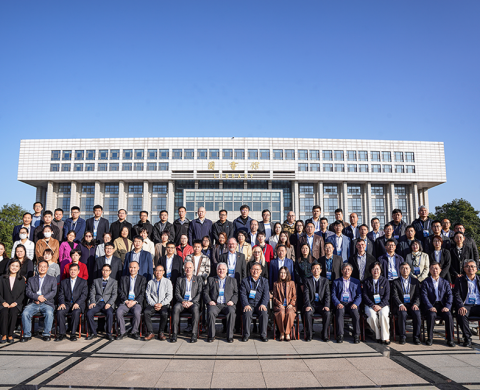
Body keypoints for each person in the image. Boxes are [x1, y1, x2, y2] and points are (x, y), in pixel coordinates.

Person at [20, 260, 57, 342]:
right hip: (34, 302)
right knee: (25, 313)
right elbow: (28, 292)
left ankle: (47, 334)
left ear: (47, 268)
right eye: (40, 266)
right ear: (37, 268)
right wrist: (37, 297)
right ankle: (26, 335)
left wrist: (43, 298)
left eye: (44, 266)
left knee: (49, 313)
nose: (42, 268)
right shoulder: (31, 279)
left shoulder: (52, 279)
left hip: (47, 303)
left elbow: (53, 292)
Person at [421, 262, 455, 347]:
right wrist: (430, 307)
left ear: (440, 270)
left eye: (436, 268)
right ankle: (430, 338)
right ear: (429, 270)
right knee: (431, 315)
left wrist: (447, 307)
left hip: (442, 305)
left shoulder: (445, 282)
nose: (434, 270)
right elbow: (424, 296)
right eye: (432, 268)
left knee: (448, 315)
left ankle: (450, 339)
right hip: (431, 305)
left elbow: (450, 295)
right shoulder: (425, 282)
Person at [204, 262, 238, 342]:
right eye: (219, 269)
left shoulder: (233, 280)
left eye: (223, 269)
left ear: (226, 270)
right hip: (215, 304)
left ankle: (230, 336)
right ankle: (211, 336)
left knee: (232, 312)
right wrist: (209, 301)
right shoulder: (211, 279)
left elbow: (236, 293)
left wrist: (232, 301)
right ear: (216, 270)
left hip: (227, 304)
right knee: (210, 312)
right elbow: (205, 292)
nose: (221, 271)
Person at [55, 263, 88, 341]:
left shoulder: (83, 282)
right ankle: (62, 333)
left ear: (78, 271)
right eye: (71, 270)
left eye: (75, 270)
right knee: (60, 312)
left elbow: (84, 295)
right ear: (69, 271)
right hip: (67, 303)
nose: (73, 272)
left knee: (76, 312)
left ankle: (73, 334)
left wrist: (78, 303)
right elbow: (61, 295)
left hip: (78, 304)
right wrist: (62, 303)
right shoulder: (64, 282)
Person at [171, 260, 202, 343]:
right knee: (176, 308)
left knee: (196, 310)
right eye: (186, 268)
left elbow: (199, 293)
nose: (188, 269)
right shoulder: (179, 279)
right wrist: (183, 301)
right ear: (184, 269)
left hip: (193, 303)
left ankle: (194, 334)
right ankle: (174, 334)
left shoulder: (198, 279)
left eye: (190, 268)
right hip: (182, 302)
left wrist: (192, 302)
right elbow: (177, 293)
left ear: (193, 269)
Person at [391, 262, 421, 345]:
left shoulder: (415, 281)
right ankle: (402, 336)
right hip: (400, 305)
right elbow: (394, 296)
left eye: (407, 268)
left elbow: (418, 295)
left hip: (412, 305)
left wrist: (416, 304)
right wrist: (400, 304)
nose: (405, 270)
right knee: (402, 314)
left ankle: (416, 337)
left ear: (410, 270)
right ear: (399, 270)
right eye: (403, 268)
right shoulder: (395, 282)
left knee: (417, 313)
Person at [85, 264, 117, 341]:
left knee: (109, 313)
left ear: (110, 271)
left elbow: (114, 294)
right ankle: (93, 332)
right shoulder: (96, 281)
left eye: (107, 270)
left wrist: (109, 303)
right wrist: (92, 302)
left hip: (107, 303)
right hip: (97, 303)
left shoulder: (114, 282)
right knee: (89, 313)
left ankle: (109, 333)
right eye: (103, 270)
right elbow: (92, 293)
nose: (105, 272)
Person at [332, 263, 362, 343]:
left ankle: (356, 335)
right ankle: (340, 335)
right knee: (339, 311)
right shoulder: (336, 282)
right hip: (341, 303)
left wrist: (355, 304)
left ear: (351, 271)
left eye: (348, 269)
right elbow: (333, 295)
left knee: (355, 313)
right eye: (345, 269)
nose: (347, 271)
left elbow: (359, 295)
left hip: (352, 303)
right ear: (342, 271)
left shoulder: (356, 282)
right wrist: (338, 303)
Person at [116, 261, 146, 340]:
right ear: (128, 268)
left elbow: (142, 293)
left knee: (137, 312)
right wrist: (126, 301)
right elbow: (120, 291)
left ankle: (134, 331)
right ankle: (123, 332)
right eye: (131, 267)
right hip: (125, 302)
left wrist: (134, 302)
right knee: (119, 312)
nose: (132, 269)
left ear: (138, 268)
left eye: (134, 267)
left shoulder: (142, 279)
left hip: (136, 302)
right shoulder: (123, 278)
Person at [239, 263, 270, 342]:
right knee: (247, 312)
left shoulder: (265, 281)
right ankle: (246, 335)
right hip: (249, 304)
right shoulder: (245, 281)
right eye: (253, 269)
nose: (255, 271)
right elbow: (242, 294)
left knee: (264, 313)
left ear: (260, 271)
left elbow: (266, 294)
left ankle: (263, 335)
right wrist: (246, 304)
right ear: (250, 270)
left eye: (257, 269)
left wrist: (263, 304)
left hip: (260, 304)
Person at [362, 262, 390, 344]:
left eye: (377, 269)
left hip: (383, 305)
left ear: (381, 270)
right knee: (372, 317)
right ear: (371, 271)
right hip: (370, 305)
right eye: (373, 269)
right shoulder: (367, 281)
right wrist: (372, 305)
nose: (375, 271)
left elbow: (387, 296)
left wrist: (380, 305)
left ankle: (385, 337)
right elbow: (365, 295)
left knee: (383, 315)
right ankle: (378, 335)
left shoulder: (385, 281)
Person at [454, 260, 480, 347]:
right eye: (467, 266)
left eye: (472, 266)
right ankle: (467, 338)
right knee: (461, 314)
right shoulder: (459, 280)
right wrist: (461, 306)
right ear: (464, 269)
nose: (470, 268)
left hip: (478, 305)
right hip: (466, 305)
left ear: (476, 269)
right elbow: (456, 295)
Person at [303, 261, 331, 342]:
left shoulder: (325, 281)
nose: (316, 270)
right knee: (308, 313)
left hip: (321, 304)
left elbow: (327, 294)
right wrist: (308, 305)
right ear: (311, 270)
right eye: (314, 269)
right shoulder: (307, 280)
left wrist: (326, 305)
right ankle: (309, 334)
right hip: (311, 304)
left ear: (321, 270)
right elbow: (306, 294)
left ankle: (324, 334)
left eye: (317, 269)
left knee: (327, 313)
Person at [144, 265, 173, 341]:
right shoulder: (150, 282)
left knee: (164, 313)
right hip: (153, 304)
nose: (158, 272)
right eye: (157, 270)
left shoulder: (168, 282)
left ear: (163, 272)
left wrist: (161, 304)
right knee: (146, 312)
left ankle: (161, 332)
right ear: (154, 272)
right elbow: (148, 295)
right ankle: (151, 332)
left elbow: (169, 296)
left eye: (160, 270)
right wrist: (154, 304)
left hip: (163, 304)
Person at [0, 260, 25, 344]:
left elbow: (23, 294)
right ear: (9, 266)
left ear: (19, 268)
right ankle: (4, 334)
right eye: (12, 265)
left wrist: (16, 303)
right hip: (3, 303)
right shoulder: (2, 278)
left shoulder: (21, 280)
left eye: (17, 266)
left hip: (15, 304)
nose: (14, 268)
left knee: (13, 312)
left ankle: (10, 334)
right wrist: (3, 302)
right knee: (4, 312)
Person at [272, 266, 296, 341]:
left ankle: (287, 333)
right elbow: (274, 297)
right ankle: (282, 332)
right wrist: (279, 304)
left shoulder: (292, 283)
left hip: (290, 305)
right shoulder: (276, 284)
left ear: (287, 274)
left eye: (284, 273)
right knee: (281, 312)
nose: (283, 274)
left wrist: (291, 304)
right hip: (280, 306)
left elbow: (294, 296)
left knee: (290, 312)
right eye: (281, 273)